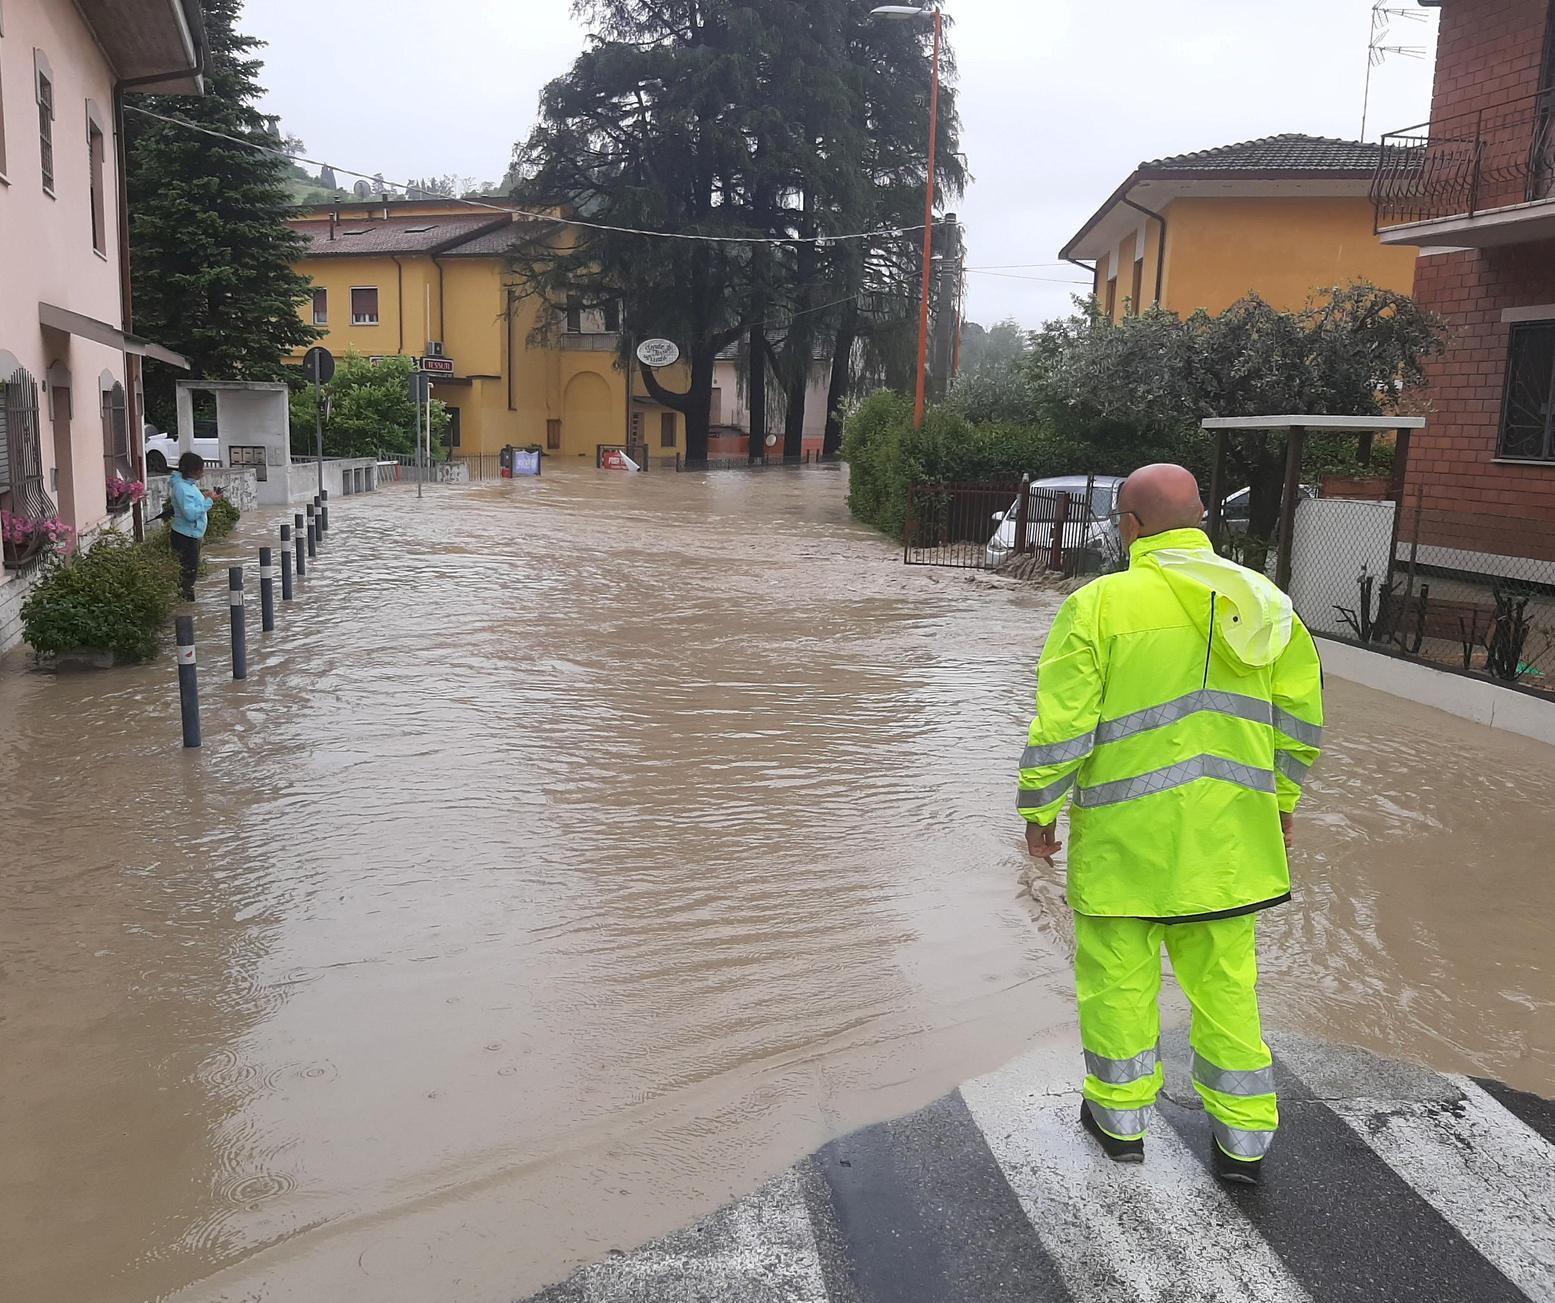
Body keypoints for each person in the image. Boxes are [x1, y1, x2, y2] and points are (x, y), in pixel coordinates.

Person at [1017, 464, 1323, 1186]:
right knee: (1225, 991)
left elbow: (1061, 727)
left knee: (1117, 984)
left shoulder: (1097, 607)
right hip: (1228, 850)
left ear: (1128, 525)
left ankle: (1119, 1125)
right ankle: (1242, 1142)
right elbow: (1298, 720)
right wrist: (1281, 803)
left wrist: (1038, 812)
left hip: (1124, 849)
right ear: (1202, 518)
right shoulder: (1264, 603)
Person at [168, 452, 212, 601]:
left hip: (192, 534)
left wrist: (204, 497)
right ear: (193, 470)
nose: (202, 472)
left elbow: (192, 504)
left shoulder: (188, 485)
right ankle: (186, 606)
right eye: (201, 469)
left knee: (189, 571)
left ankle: (186, 604)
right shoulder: (181, 487)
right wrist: (209, 502)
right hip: (186, 536)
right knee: (188, 573)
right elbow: (190, 514)